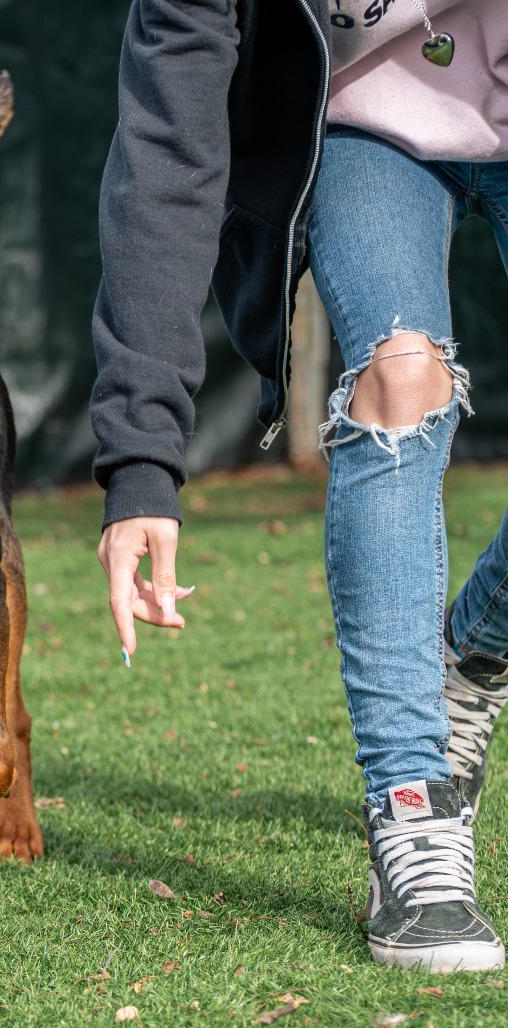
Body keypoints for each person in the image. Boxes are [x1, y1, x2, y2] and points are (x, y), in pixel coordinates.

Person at [91, 0, 508, 973]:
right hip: (367, 123)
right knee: (397, 377)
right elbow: (165, 152)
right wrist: (140, 460)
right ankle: (412, 804)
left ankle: (474, 649)